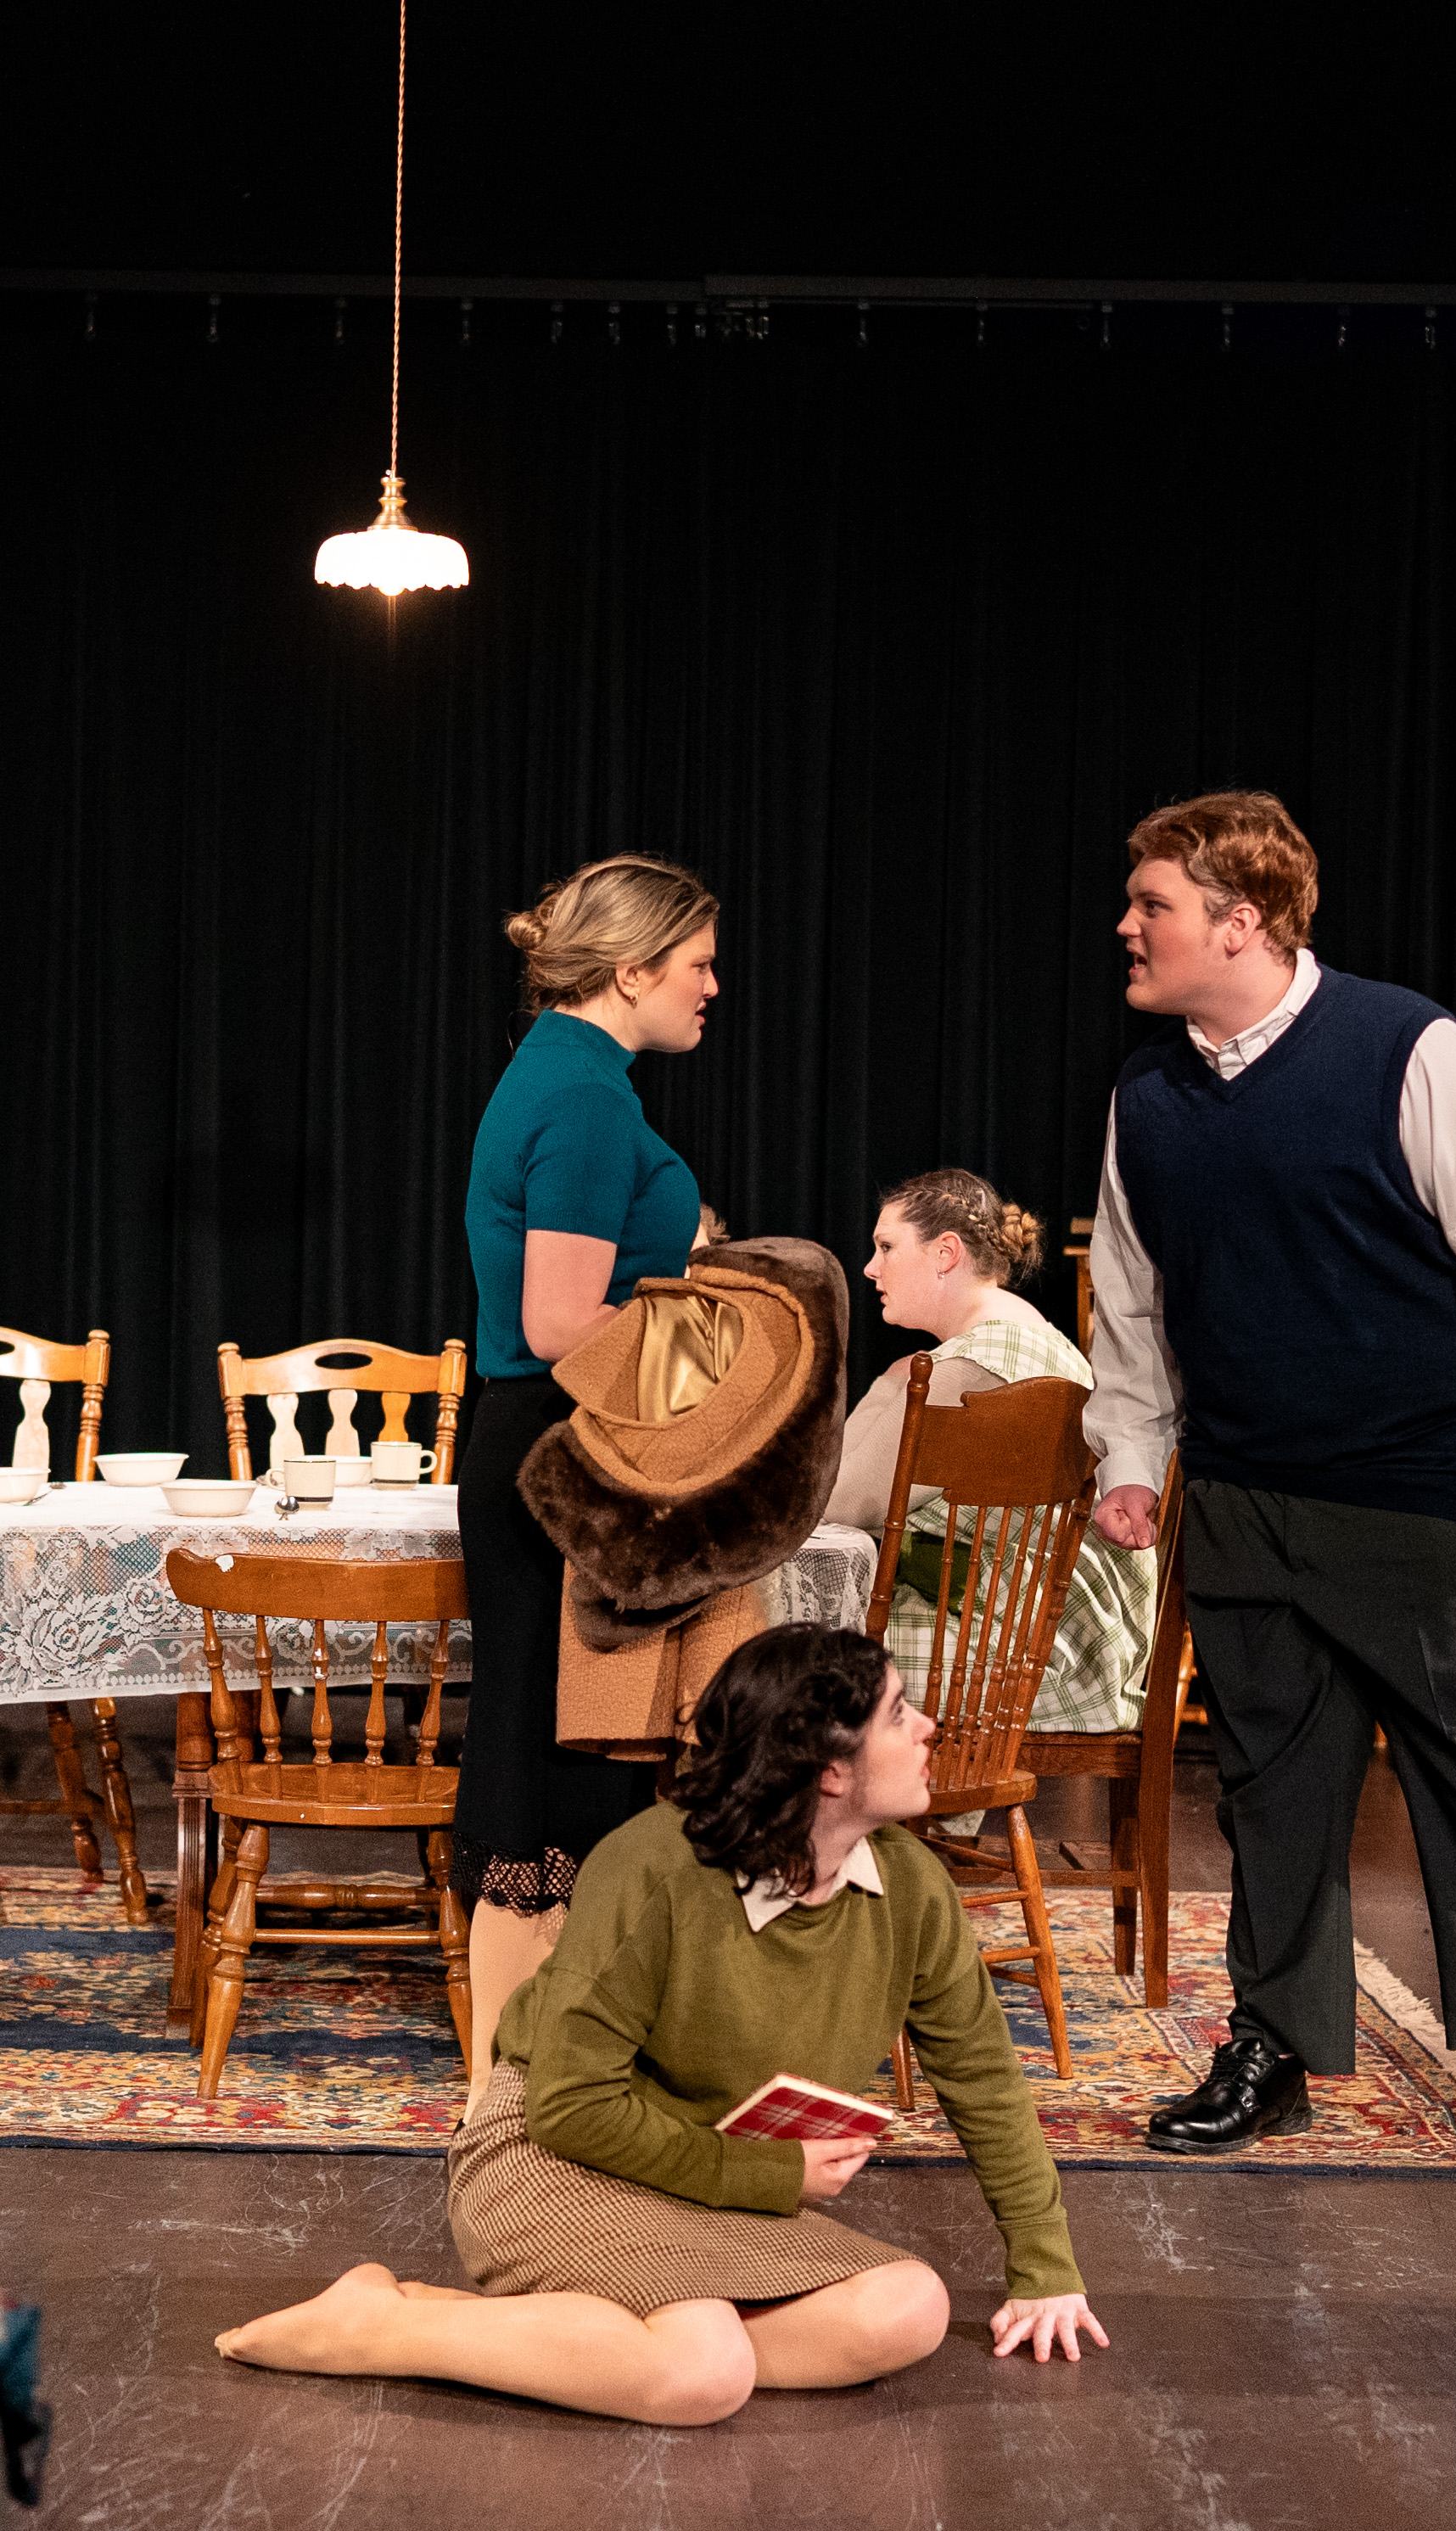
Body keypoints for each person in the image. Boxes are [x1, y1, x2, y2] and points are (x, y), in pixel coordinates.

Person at [215, 1626, 1107, 2423]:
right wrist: (772, 2172)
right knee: (701, 2369)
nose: (928, 1729)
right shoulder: (653, 1868)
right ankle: (384, 2325)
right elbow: (569, 2107)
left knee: (907, 2308)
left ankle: (610, 2341)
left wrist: (1046, 2267)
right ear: (829, 1770)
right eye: (898, 1714)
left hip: (700, 2176)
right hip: (550, 2154)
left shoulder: (911, 1886)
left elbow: (983, 2077)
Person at [1084, 792, 1456, 2154]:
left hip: (1428, 1494)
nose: (1126, 925)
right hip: (1245, 1494)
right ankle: (1274, 2042)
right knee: (1271, 1782)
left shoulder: (1407, 1049)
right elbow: (1131, 1297)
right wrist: (1129, 1451)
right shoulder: (1148, 1093)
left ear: (1238, 921)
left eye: (1151, 904)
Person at [454, 853, 721, 2114]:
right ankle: (508, 2089)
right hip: (560, 1450)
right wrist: (714, 1345)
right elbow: (559, 1321)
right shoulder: (584, 1095)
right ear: (629, 969)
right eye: (698, 964)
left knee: (567, 1742)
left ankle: (552, 2065)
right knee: (543, 1747)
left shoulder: (568, 1074)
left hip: (560, 1444)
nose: (711, 987)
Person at [825, 1169, 1156, 1738]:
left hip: (1029, 1658)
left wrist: (886, 1386)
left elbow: (839, 1503)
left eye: (887, 1247)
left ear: (946, 1252)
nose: (871, 1268)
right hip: (1088, 1645)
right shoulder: (1033, 1338)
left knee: (792, 1653)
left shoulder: (972, 1366)